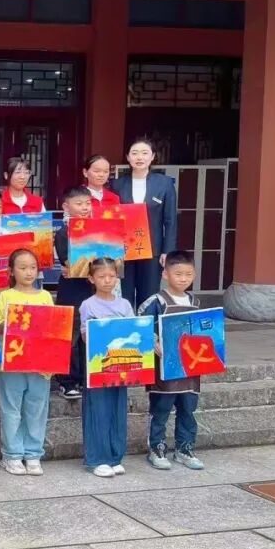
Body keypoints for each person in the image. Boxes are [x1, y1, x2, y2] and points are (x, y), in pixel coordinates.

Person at [138, 251, 205, 471]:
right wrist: (153, 341)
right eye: (178, 274)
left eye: (188, 274)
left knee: (188, 409)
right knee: (161, 408)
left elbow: (205, 331)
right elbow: (140, 325)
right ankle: (156, 448)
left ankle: (185, 449)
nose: (183, 279)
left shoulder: (195, 302)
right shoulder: (156, 301)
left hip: (189, 368)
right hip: (164, 368)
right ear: (165, 274)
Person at [0, 248, 54, 476]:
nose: (29, 272)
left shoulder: (45, 296)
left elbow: (53, 328)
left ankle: (33, 453)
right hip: (12, 361)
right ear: (11, 271)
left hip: (39, 363)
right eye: (22, 268)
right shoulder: (5, 296)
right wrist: (16, 320)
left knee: (37, 408)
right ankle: (12, 454)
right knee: (11, 408)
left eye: (33, 268)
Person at [79, 257, 132, 478]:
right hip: (97, 364)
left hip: (121, 364)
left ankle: (115, 456)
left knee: (118, 409)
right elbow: (85, 336)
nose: (107, 280)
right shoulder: (88, 304)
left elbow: (133, 331)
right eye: (102, 276)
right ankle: (96, 459)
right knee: (98, 410)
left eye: (112, 276)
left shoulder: (125, 304)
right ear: (92, 279)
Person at [110, 139, 178, 308]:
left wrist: (167, 251)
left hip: (152, 249)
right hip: (123, 250)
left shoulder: (165, 183)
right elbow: (111, 218)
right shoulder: (117, 184)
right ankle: (126, 323)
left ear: (153, 156)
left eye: (144, 153)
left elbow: (170, 220)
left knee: (149, 295)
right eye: (134, 153)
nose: (139, 157)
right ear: (128, 157)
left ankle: (147, 324)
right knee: (123, 294)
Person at [54, 186, 96, 400]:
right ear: (66, 206)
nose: (84, 208)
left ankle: (85, 377)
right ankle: (67, 381)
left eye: (88, 203)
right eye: (79, 204)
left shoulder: (100, 231)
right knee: (70, 335)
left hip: (93, 289)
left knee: (89, 333)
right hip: (71, 289)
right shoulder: (63, 233)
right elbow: (69, 263)